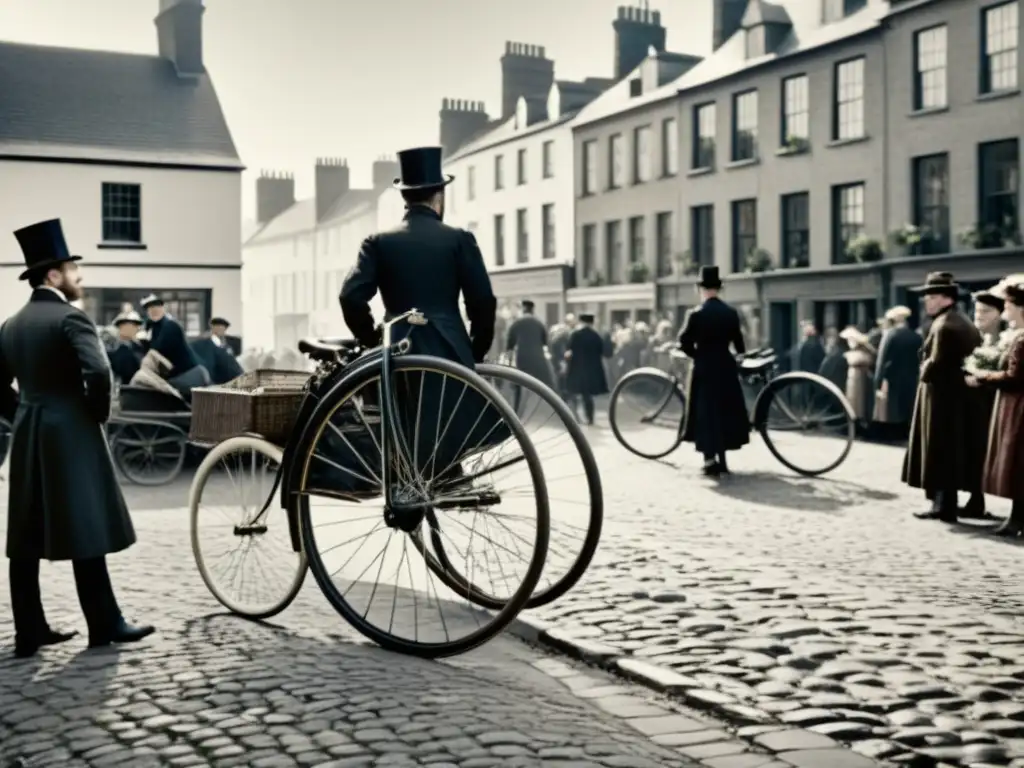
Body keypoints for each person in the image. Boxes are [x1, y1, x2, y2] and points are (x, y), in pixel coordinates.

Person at [0, 219, 154, 658]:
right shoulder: (71, 317)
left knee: (25, 534)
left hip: (29, 432)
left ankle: (29, 633)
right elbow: (99, 372)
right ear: (53, 275)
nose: (79, 277)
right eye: (72, 269)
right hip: (70, 431)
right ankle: (105, 624)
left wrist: (24, 413)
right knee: (85, 523)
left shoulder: (11, 324)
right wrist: (94, 415)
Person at [338, 145, 499, 488]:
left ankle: (407, 476)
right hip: (448, 348)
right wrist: (475, 350)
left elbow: (350, 296)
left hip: (398, 348)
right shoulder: (458, 240)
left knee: (403, 422)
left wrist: (370, 339)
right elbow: (482, 302)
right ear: (439, 195)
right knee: (450, 417)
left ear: (405, 198)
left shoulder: (378, 242)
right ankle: (449, 473)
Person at [902, 272, 982, 522]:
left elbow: (934, 364)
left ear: (947, 299)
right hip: (957, 398)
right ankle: (955, 503)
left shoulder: (945, 324)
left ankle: (943, 506)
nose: (927, 301)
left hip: (942, 399)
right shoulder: (961, 320)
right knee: (953, 450)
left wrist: (923, 369)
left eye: (932, 296)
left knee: (940, 451)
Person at [678, 266, 749, 476]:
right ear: (719, 288)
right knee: (725, 412)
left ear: (700, 289)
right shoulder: (730, 313)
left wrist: (696, 355)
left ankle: (709, 460)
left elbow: (683, 341)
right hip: (725, 367)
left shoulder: (696, 314)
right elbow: (740, 344)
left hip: (704, 368)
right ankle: (724, 460)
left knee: (705, 413)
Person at [968, 282, 1024, 537]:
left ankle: (1017, 519)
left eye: (1009, 306)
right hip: (1015, 403)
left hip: (1018, 406)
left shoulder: (1022, 339)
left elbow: (1014, 377)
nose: (1005, 312)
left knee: (1016, 461)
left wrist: (981, 376)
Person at [139, 294, 211, 398]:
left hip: (190, 376)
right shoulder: (154, 329)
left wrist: (144, 338)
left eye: (156, 306)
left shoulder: (170, 326)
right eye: (149, 308)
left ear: (163, 308)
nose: (153, 310)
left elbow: (157, 352)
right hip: (181, 377)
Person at [873, 305, 922, 440]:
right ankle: (906, 434)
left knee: (892, 408)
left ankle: (892, 435)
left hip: (892, 378)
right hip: (911, 377)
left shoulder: (890, 335)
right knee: (908, 406)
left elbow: (881, 361)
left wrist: (877, 383)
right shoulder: (916, 337)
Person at [505, 299, 555, 410]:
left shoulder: (516, 323)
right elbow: (546, 342)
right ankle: (549, 409)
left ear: (523, 309)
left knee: (519, 383)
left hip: (522, 358)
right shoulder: (539, 323)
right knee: (544, 385)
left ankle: (516, 410)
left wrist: (508, 362)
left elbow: (509, 345)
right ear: (533, 309)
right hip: (538, 357)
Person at [564, 313, 609, 425]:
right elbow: (603, 351)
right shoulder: (596, 336)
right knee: (587, 395)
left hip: (577, 367)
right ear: (592, 322)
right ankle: (590, 418)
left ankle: (573, 417)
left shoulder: (575, 334)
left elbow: (569, 349)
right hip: (592, 369)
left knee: (572, 392)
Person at [191, 316, 244, 385]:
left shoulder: (229, 344)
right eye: (218, 327)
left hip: (229, 380)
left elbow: (233, 363)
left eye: (224, 328)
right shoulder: (203, 343)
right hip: (212, 380)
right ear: (213, 328)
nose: (222, 330)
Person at [108, 308, 145, 385]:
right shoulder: (114, 350)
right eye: (125, 325)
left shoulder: (142, 347)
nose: (132, 328)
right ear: (120, 328)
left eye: (135, 325)